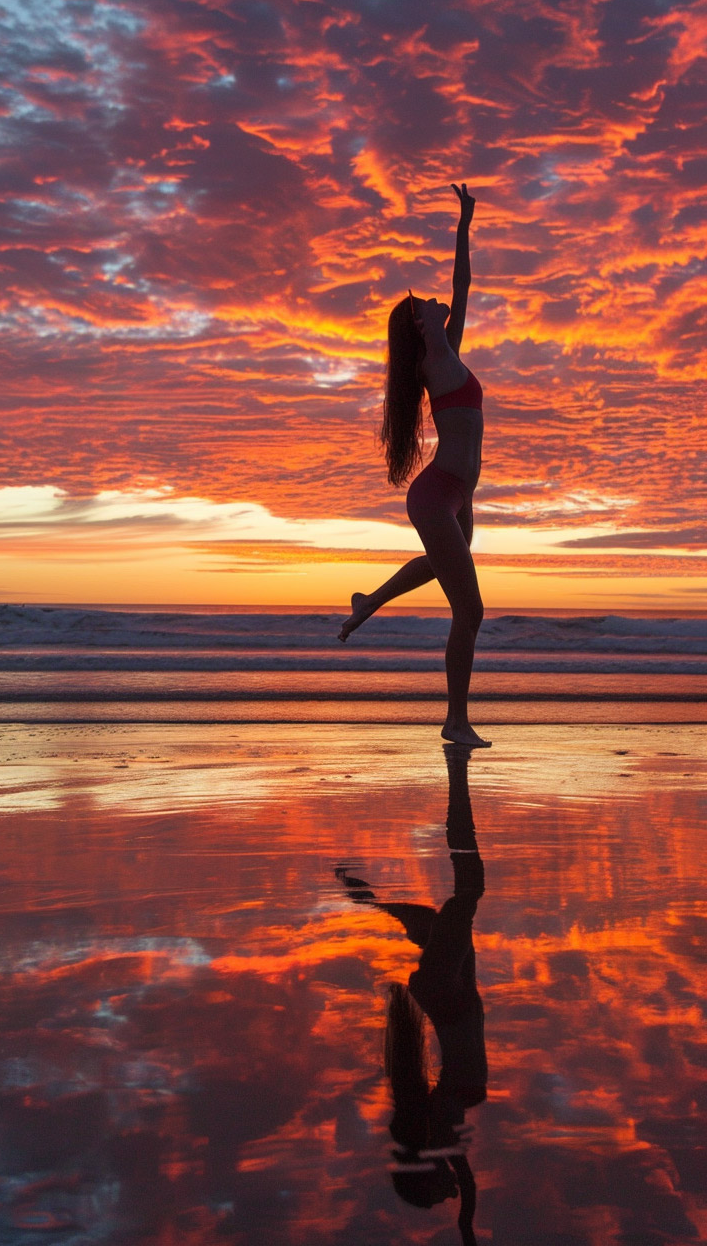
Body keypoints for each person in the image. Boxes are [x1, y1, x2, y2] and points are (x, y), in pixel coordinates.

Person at [339, 182, 489, 748]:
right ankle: (455, 720)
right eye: (423, 303)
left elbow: (463, 283)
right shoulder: (434, 360)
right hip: (438, 492)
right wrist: (462, 222)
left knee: (437, 567)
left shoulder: (448, 349)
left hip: (458, 495)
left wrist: (465, 221)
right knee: (470, 610)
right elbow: (457, 287)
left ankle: (369, 602)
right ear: (421, 326)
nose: (435, 299)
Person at [335, 748, 487, 1245]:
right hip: (451, 997)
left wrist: (465, 1225)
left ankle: (458, 783)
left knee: (466, 895)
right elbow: (463, 1183)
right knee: (441, 915)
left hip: (451, 999)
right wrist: (465, 1222)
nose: (448, 1194)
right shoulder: (438, 1135)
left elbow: (462, 1185)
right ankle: (370, 899)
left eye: (434, 1194)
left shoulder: (435, 1132)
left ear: (423, 1175)